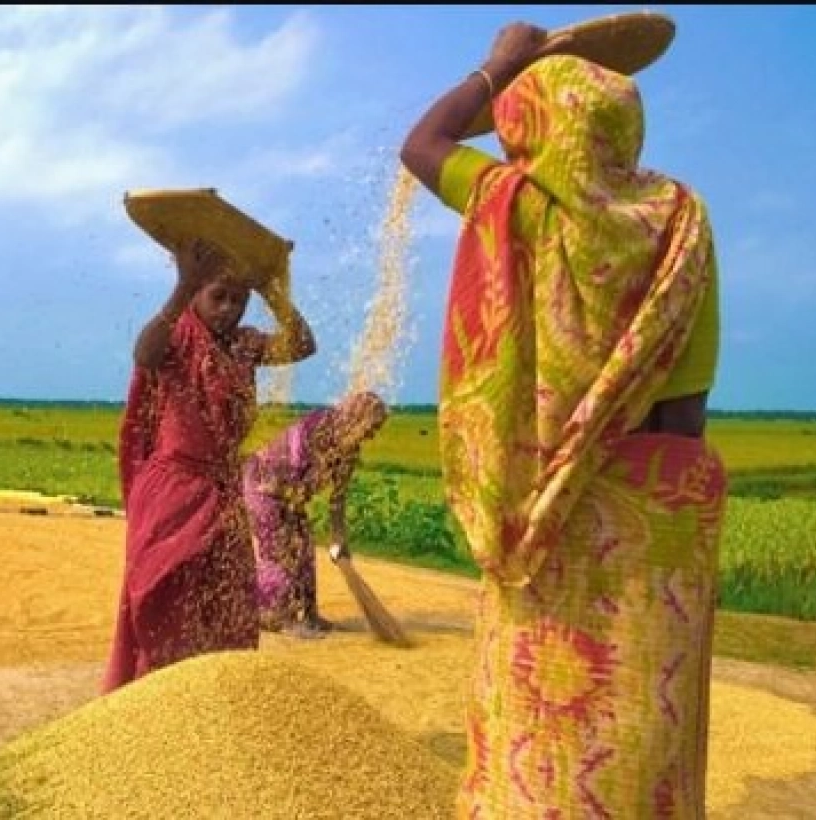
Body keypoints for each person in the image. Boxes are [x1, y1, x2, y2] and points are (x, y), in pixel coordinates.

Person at [399, 21, 726, 818]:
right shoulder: (681, 219)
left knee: (537, 738)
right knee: (642, 735)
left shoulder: (513, 205)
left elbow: (422, 143)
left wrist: (497, 68)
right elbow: (684, 413)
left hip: (541, 525)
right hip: (656, 529)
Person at [102, 237, 317, 693]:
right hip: (174, 491)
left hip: (223, 493)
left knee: (227, 604)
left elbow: (302, 344)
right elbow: (144, 354)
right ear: (197, 294)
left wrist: (272, 291)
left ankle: (212, 704)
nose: (229, 309)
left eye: (239, 300)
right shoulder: (178, 334)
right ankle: (155, 700)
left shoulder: (243, 346)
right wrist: (182, 286)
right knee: (164, 597)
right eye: (218, 296)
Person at [242, 390, 389, 639]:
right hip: (263, 486)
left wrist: (339, 539)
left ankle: (310, 615)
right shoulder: (322, 422)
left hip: (289, 494)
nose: (372, 434)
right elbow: (296, 459)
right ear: (357, 418)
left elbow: (337, 499)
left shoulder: (349, 452)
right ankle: (278, 617)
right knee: (280, 551)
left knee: (305, 549)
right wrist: (293, 503)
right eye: (371, 426)